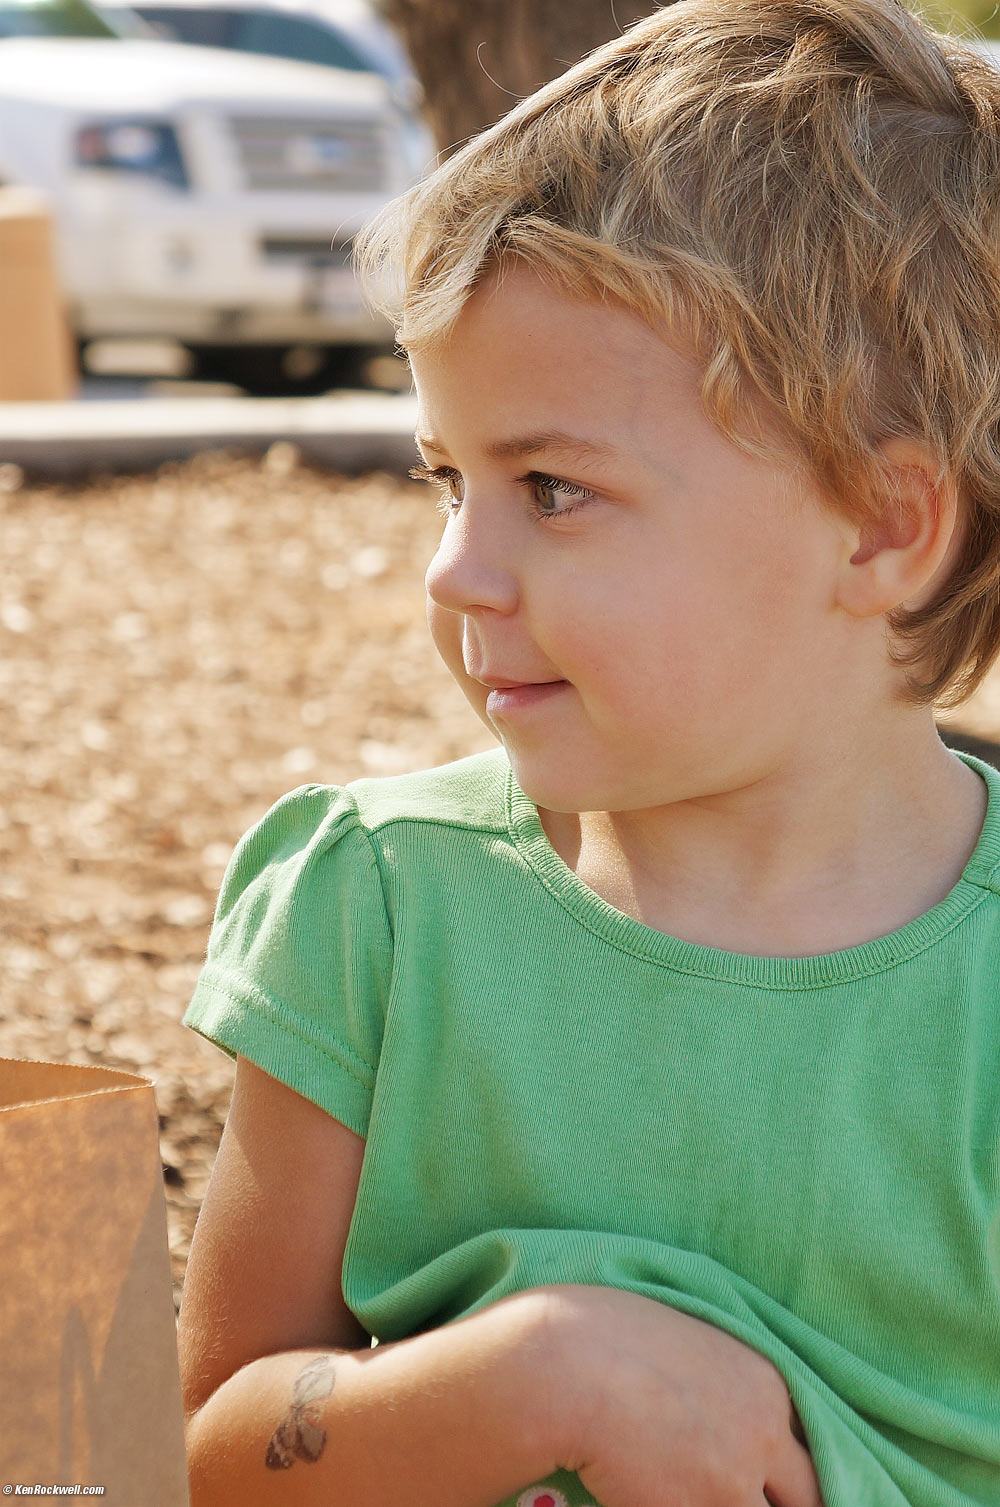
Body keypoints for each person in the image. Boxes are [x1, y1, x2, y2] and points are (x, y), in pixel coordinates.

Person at [176, 1, 1000, 1503]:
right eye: (446, 480)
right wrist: (534, 1377)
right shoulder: (380, 911)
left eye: (551, 489)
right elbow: (209, 1455)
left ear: (885, 526)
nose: (454, 572)